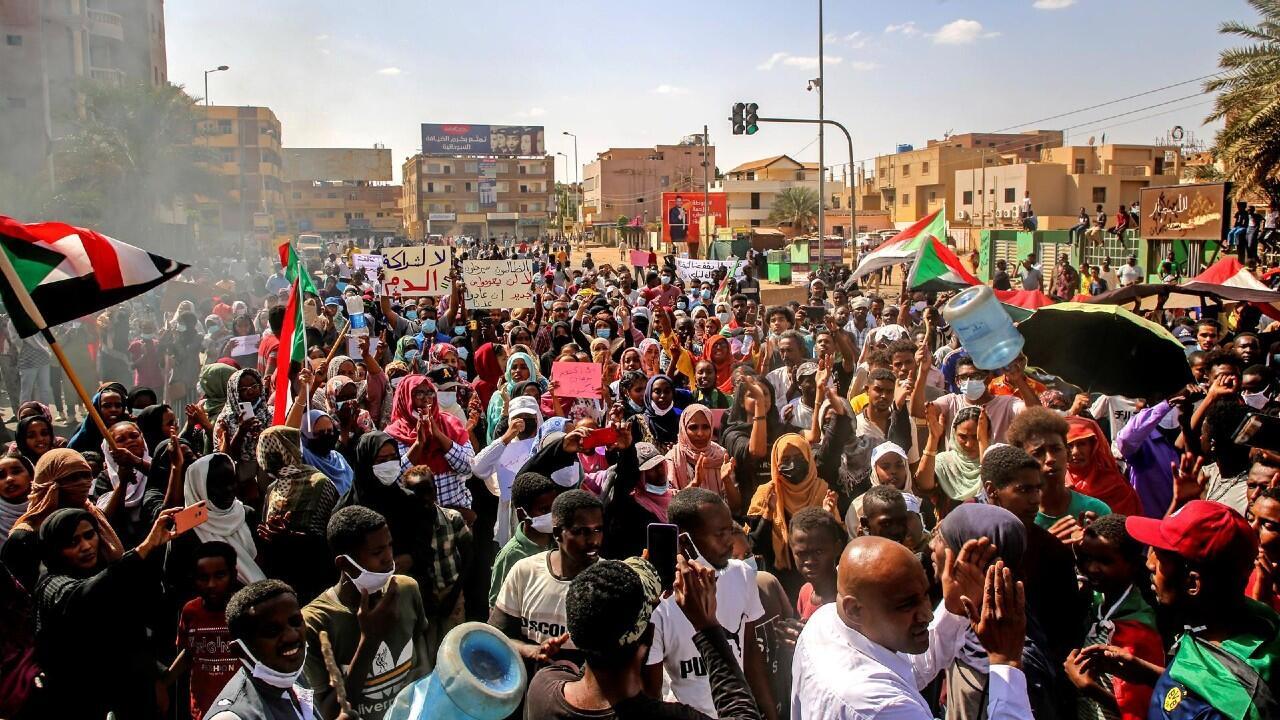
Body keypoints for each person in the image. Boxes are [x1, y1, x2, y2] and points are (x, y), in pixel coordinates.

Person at [790, 535, 1033, 719]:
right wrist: (1006, 662)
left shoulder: (825, 621)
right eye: (907, 605)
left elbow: (908, 671)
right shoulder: (881, 708)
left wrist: (955, 609)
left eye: (926, 595)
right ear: (854, 609)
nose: (927, 615)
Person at [1098, 502, 1280, 720]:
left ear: (1192, 584)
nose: (1149, 563)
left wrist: (1093, 690)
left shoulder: (1225, 711)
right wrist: (1153, 675)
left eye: (1162, 556)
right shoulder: (1254, 619)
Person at [524, 556, 763, 719]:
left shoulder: (542, 690)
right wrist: (707, 624)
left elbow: (598, 638)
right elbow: (741, 713)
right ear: (646, 643)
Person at [32, 505, 182, 719]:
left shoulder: (109, 575)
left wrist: (155, 681)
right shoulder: (51, 583)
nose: (85, 547)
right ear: (54, 549)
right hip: (75, 702)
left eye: (89, 535)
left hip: (125, 699)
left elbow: (134, 638)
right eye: (72, 542)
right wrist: (144, 548)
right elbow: (82, 598)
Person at [644, 486, 777, 718]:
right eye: (719, 534)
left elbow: (752, 658)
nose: (730, 543)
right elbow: (651, 691)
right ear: (684, 540)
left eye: (730, 531)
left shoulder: (743, 575)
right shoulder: (660, 602)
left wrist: (769, 713)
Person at [301, 505, 431, 719]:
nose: (389, 558)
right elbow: (326, 713)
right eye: (377, 552)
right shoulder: (315, 623)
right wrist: (370, 640)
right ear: (344, 563)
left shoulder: (406, 590)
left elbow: (421, 659)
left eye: (390, 546)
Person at [1064, 514, 1163, 720]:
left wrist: (1088, 687)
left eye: (1105, 561)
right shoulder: (1096, 604)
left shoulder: (1140, 629)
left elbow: (1141, 711)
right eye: (1087, 558)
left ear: (1133, 565)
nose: (1092, 568)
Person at [490, 489, 603, 669]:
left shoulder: (607, 581)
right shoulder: (525, 572)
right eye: (581, 532)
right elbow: (498, 637)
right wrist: (531, 651)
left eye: (598, 529)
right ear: (558, 533)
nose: (593, 540)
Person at [206, 579, 313, 720]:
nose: (291, 636)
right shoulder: (231, 717)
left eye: (295, 622)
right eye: (272, 631)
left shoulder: (294, 678)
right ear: (240, 650)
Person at [165, 540, 241, 720]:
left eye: (220, 575)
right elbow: (188, 653)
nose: (211, 584)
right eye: (204, 577)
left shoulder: (246, 611)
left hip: (240, 710)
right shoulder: (191, 611)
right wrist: (163, 682)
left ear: (233, 575)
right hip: (202, 711)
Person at [1007, 407, 1111, 536]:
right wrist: (1048, 545)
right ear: (1022, 460)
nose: (1050, 459)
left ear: (1067, 453)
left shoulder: (1096, 510)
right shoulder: (1015, 518)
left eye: (1056, 449)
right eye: (1038, 453)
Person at [489, 471, 564, 608]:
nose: (552, 515)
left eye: (554, 508)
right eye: (544, 510)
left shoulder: (560, 543)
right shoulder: (510, 555)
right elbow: (496, 606)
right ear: (522, 514)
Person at [1065, 415, 1143, 516]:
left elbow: (1127, 524)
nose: (1075, 452)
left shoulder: (1114, 485)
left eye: (1082, 444)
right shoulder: (1054, 481)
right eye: (1069, 445)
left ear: (1093, 446)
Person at [666, 403, 738, 509]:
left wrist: (727, 481)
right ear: (683, 429)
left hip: (717, 521)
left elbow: (736, 507)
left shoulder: (721, 455)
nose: (700, 433)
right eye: (693, 427)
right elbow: (670, 506)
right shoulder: (672, 459)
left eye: (705, 427)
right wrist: (696, 482)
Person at [789, 506, 847, 622]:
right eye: (801, 554)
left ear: (837, 548)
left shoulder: (847, 599)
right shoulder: (805, 592)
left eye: (819, 552)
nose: (809, 561)